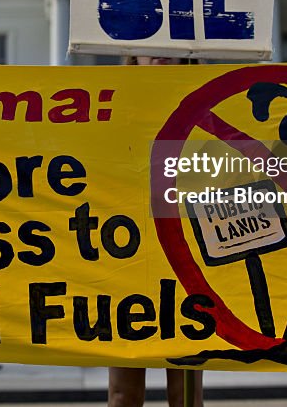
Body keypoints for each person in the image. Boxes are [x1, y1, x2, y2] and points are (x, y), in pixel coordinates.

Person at [109, 55, 203, 407]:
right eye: (151, 42)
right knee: (123, 394)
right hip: (125, 260)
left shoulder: (206, 98)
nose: (160, 51)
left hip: (186, 264)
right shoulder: (112, 100)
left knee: (186, 393)